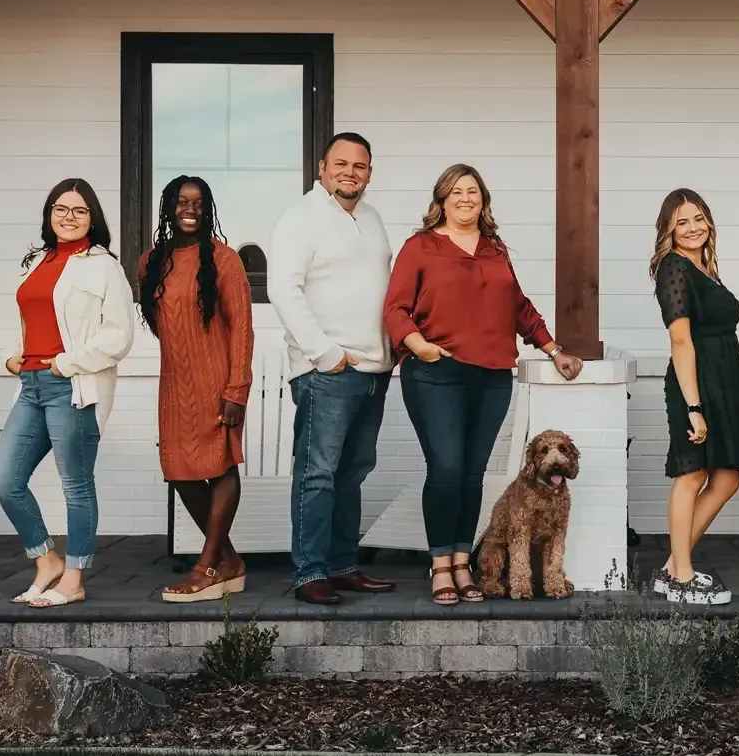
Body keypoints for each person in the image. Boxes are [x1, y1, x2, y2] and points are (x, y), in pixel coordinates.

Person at [385, 163, 583, 606]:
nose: (465, 198)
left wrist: (553, 349)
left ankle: (462, 562)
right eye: (456, 191)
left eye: (473, 191)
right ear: (441, 200)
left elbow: (518, 306)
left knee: (472, 474)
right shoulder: (420, 247)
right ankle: (439, 565)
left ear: (483, 199)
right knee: (447, 470)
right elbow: (396, 308)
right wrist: (419, 346)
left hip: (492, 376)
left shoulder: (495, 249)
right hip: (436, 374)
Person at [268, 132, 399, 606]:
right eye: (340, 163)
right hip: (328, 371)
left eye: (360, 165)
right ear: (322, 167)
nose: (350, 172)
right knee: (318, 473)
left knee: (353, 472)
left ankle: (344, 565)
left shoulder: (373, 218)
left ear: (369, 172)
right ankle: (311, 572)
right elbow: (284, 289)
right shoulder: (299, 218)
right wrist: (325, 353)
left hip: (375, 368)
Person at [0, 179, 135, 609]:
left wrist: (65, 362)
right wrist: (12, 355)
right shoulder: (36, 261)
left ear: (93, 218)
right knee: (5, 479)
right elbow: (32, 318)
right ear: (48, 213)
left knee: (75, 485)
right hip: (31, 384)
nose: (68, 217)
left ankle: (73, 577)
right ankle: (46, 560)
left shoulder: (104, 266)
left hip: (72, 387)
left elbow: (119, 337)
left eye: (79, 210)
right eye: (60, 208)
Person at [139, 175, 255, 604]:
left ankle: (208, 565)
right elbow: (159, 322)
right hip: (175, 382)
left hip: (217, 379)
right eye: (181, 202)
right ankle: (229, 560)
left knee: (220, 465)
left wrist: (236, 389)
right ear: (169, 208)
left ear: (208, 209)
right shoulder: (151, 261)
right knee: (179, 469)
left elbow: (242, 328)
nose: (190, 209)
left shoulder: (224, 260)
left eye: (199, 202)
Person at [650, 189, 739, 606]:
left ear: (708, 222)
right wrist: (694, 406)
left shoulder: (703, 267)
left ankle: (674, 566)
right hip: (697, 382)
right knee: (691, 475)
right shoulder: (673, 268)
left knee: (726, 477)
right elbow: (680, 339)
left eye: (698, 219)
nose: (692, 228)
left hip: (724, 378)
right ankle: (682, 575)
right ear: (669, 231)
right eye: (681, 223)